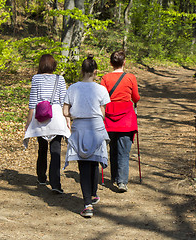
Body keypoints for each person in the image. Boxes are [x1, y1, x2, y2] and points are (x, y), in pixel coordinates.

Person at [63, 55, 110, 218]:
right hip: (96, 126)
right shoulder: (101, 89)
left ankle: (87, 204)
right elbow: (104, 112)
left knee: (83, 165)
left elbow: (65, 111)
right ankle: (93, 195)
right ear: (95, 72)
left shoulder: (73, 88)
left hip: (79, 128)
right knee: (94, 161)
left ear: (82, 71)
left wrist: (74, 115)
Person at [24, 54, 71, 194]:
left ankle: (41, 177)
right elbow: (64, 101)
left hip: (40, 116)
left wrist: (28, 123)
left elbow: (32, 103)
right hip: (56, 116)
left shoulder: (36, 78)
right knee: (56, 150)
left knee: (42, 148)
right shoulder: (60, 79)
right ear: (53, 65)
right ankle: (56, 183)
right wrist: (68, 119)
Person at [101, 50, 140, 193]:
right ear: (124, 62)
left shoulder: (105, 78)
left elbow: (102, 98)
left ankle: (114, 178)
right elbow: (136, 97)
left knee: (113, 149)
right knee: (124, 151)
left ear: (111, 63)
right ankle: (122, 182)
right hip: (126, 119)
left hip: (109, 116)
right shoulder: (130, 77)